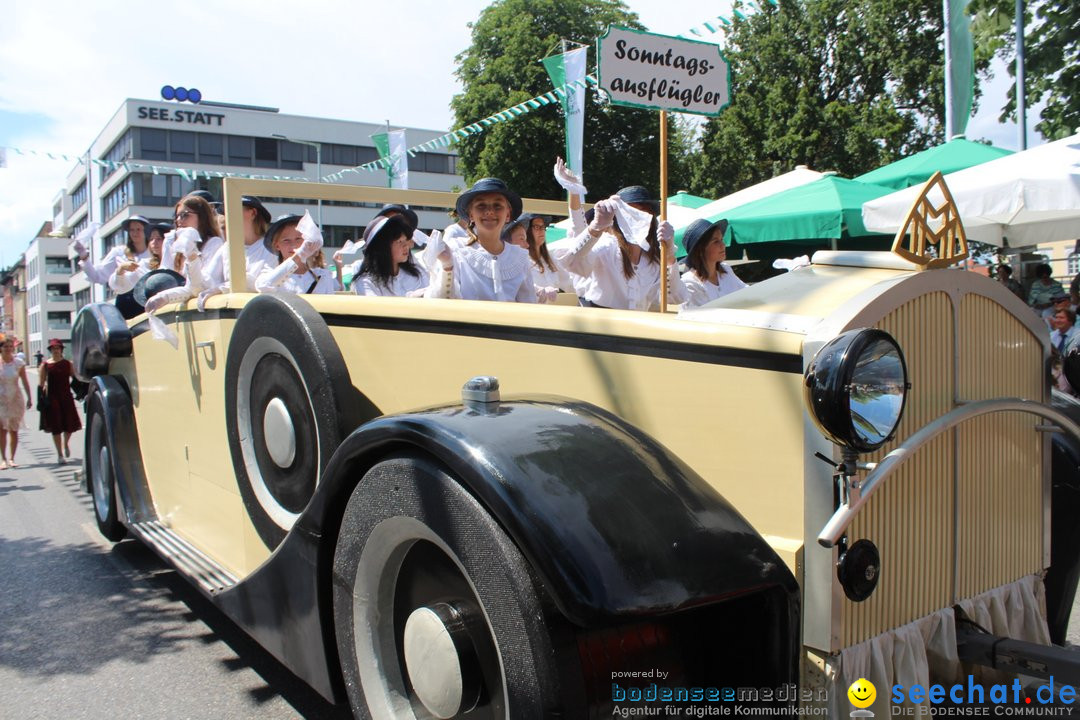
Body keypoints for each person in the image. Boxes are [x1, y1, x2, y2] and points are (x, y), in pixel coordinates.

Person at [563, 185, 684, 310]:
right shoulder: (605, 246)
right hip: (599, 325)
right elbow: (571, 263)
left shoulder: (653, 258)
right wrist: (595, 228)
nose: (638, 218)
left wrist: (669, 255)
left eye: (644, 212)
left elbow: (675, 298)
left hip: (635, 327)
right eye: (630, 212)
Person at [433, 178, 536, 303]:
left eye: (497, 206)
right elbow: (440, 302)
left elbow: (529, 305)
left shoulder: (520, 257)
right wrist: (447, 267)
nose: (489, 212)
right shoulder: (455, 250)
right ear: (471, 214)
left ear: (508, 214)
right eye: (481, 206)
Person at [354, 215, 448, 297]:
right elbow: (377, 312)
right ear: (382, 246)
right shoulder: (365, 282)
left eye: (405, 240)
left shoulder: (417, 272)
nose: (406, 245)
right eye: (399, 241)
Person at [202, 195, 277, 291]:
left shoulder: (271, 247)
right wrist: (192, 260)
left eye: (233, 210)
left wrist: (221, 289)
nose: (228, 217)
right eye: (226, 213)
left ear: (253, 213)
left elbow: (263, 284)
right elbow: (208, 281)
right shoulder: (226, 248)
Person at [255, 213, 338, 295]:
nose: (293, 245)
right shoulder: (270, 273)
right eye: (286, 240)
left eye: (298, 239)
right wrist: (299, 255)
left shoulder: (323, 275)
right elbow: (263, 286)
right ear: (277, 246)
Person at [675, 218, 748, 308]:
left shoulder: (726, 270)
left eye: (721, 240)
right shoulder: (689, 283)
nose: (723, 245)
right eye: (716, 242)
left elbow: (747, 292)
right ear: (701, 249)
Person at [75, 215, 151, 289]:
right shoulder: (119, 252)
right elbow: (97, 276)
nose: (135, 233)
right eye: (132, 230)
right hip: (126, 298)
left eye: (138, 229)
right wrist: (84, 257)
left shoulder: (154, 253)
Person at [39, 339, 81, 465]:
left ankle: (66, 443)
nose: (56, 350)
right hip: (52, 398)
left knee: (69, 425)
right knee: (56, 426)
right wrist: (41, 399)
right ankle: (60, 454)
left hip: (66, 397)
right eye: (53, 348)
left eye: (58, 348)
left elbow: (75, 378)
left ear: (61, 350)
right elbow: (41, 384)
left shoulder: (68, 364)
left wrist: (81, 391)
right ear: (50, 350)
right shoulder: (46, 365)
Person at [162, 195, 223, 280]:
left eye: (184, 215)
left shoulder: (214, 243)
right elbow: (164, 275)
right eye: (177, 216)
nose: (178, 220)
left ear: (202, 217)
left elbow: (207, 280)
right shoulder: (174, 243)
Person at [0, 336, 31, 469]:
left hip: (15, 398)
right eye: (5, 346)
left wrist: (30, 396)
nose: (8, 349)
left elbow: (24, 380)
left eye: (10, 346)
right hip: (1, 399)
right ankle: (3, 459)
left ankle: (12, 458)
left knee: (14, 430)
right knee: (1, 430)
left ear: (13, 348)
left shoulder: (18, 363)